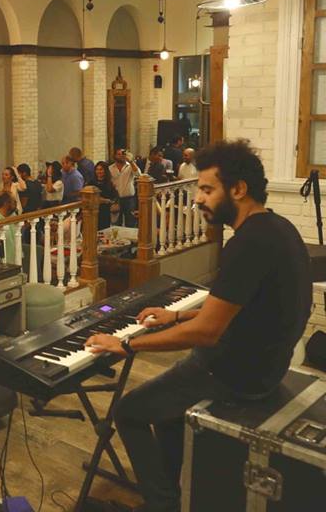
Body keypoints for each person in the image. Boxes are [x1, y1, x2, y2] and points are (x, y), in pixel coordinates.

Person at [86, 140, 312, 512]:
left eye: (207, 189)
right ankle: (177, 492)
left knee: (128, 411)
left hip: (236, 376)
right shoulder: (277, 229)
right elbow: (236, 309)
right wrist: (176, 316)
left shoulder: (247, 244)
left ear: (238, 189)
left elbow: (207, 332)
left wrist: (125, 346)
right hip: (266, 368)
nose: (198, 199)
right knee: (166, 408)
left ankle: (161, 504)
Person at [110, 148, 141, 228]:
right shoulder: (110, 168)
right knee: (116, 222)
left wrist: (131, 161)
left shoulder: (130, 166)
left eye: (123, 154)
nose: (121, 156)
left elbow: (138, 174)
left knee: (130, 222)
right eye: (119, 154)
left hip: (129, 198)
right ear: (115, 156)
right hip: (116, 199)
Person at [92, 161, 120, 231]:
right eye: (97, 169)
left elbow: (114, 197)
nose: (99, 171)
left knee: (104, 231)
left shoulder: (109, 183)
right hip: (93, 211)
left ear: (105, 170)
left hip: (105, 211)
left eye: (101, 169)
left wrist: (106, 201)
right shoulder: (91, 182)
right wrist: (98, 199)